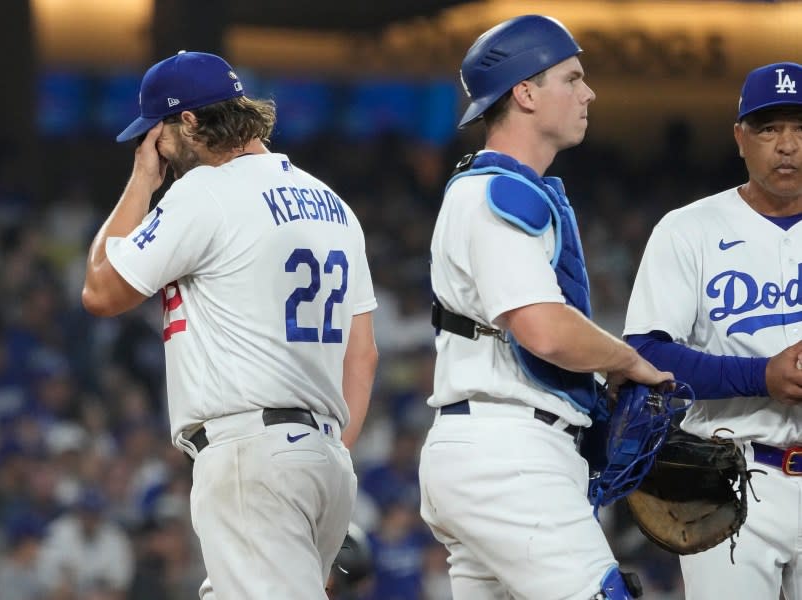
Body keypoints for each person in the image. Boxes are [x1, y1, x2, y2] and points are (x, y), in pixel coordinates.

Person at [81, 50, 379, 599]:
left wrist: (143, 182)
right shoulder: (333, 204)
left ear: (188, 122)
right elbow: (363, 356)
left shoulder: (206, 191)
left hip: (252, 453)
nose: (155, 147)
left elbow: (100, 290)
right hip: (325, 460)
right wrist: (330, 448)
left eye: (157, 134)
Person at [419, 15, 673, 600]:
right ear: (525, 92)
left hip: (491, 446)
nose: (589, 94)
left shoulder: (490, 188)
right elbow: (543, 329)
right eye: (572, 78)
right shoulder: (496, 192)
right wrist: (626, 362)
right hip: (509, 453)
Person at [623, 61, 802, 599]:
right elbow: (646, 355)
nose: (787, 145)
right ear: (739, 138)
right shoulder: (689, 230)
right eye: (769, 128)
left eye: (800, 128)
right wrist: (761, 376)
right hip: (734, 483)